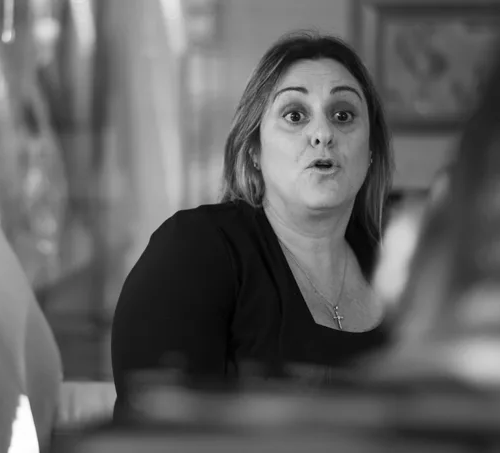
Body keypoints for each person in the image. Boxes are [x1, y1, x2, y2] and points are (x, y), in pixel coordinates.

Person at [111, 31, 394, 419]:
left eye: (342, 115)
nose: (323, 134)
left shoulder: (402, 274)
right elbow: (156, 433)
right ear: (254, 150)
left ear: (372, 149)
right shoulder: (195, 250)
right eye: (294, 115)